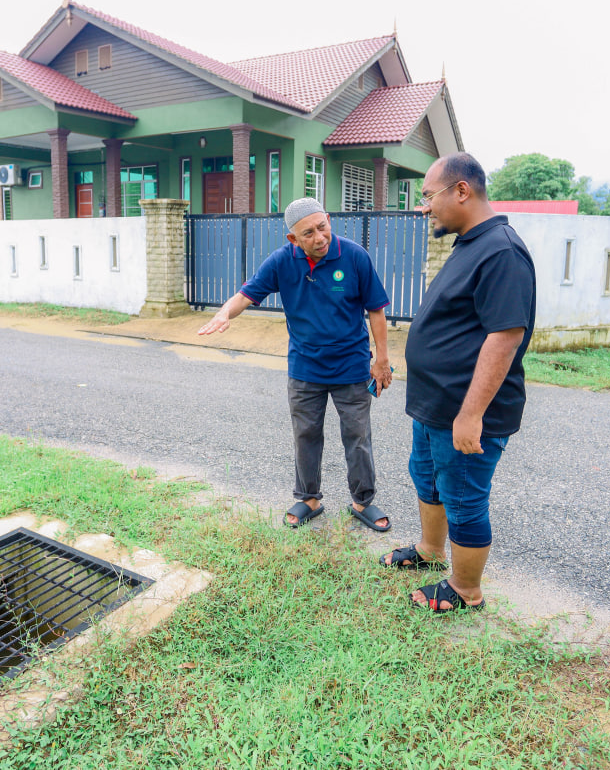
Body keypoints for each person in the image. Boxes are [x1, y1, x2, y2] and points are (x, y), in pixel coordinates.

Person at [381, 153, 536, 613]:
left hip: (466, 412)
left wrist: (471, 415)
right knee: (427, 477)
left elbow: (505, 337)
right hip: (435, 404)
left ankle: (466, 590)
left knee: (464, 496)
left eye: (429, 196)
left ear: (461, 191)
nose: (423, 207)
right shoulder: (471, 242)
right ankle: (431, 551)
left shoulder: (502, 250)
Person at [197, 197, 395, 531]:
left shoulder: (354, 256)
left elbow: (376, 309)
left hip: (352, 365)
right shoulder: (281, 262)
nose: (320, 237)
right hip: (305, 368)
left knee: (357, 435)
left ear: (329, 220)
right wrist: (223, 313)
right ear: (293, 239)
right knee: (305, 433)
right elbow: (246, 294)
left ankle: (363, 501)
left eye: (323, 227)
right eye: (309, 233)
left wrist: (382, 361)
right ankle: (308, 498)